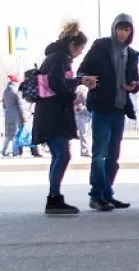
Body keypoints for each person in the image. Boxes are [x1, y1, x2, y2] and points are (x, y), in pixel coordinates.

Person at [77, 13, 139, 211]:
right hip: (102, 107)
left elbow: (136, 80)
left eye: (127, 29)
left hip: (120, 109)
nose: (123, 33)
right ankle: (96, 195)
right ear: (114, 28)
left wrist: (134, 86)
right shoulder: (101, 46)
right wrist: (87, 79)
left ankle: (107, 193)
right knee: (99, 154)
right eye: (120, 28)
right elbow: (82, 70)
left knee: (113, 155)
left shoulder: (131, 54)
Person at [32, 22, 97, 215]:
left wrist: (78, 81)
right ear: (73, 45)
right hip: (54, 115)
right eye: (80, 49)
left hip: (50, 114)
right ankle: (53, 198)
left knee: (60, 155)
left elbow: (57, 81)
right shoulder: (61, 58)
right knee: (62, 154)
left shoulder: (53, 56)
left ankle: (55, 196)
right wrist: (73, 94)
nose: (80, 54)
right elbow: (56, 83)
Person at [2, 74, 21, 157]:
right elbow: (19, 105)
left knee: (7, 133)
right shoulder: (15, 91)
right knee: (15, 133)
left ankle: (3, 150)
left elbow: (3, 104)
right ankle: (15, 152)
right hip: (15, 113)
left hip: (7, 113)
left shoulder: (5, 91)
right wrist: (23, 117)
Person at [73, 86, 92, 156]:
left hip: (87, 113)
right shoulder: (82, 87)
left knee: (87, 133)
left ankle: (85, 150)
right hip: (81, 113)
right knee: (84, 133)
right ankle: (85, 150)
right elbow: (79, 98)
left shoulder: (91, 87)